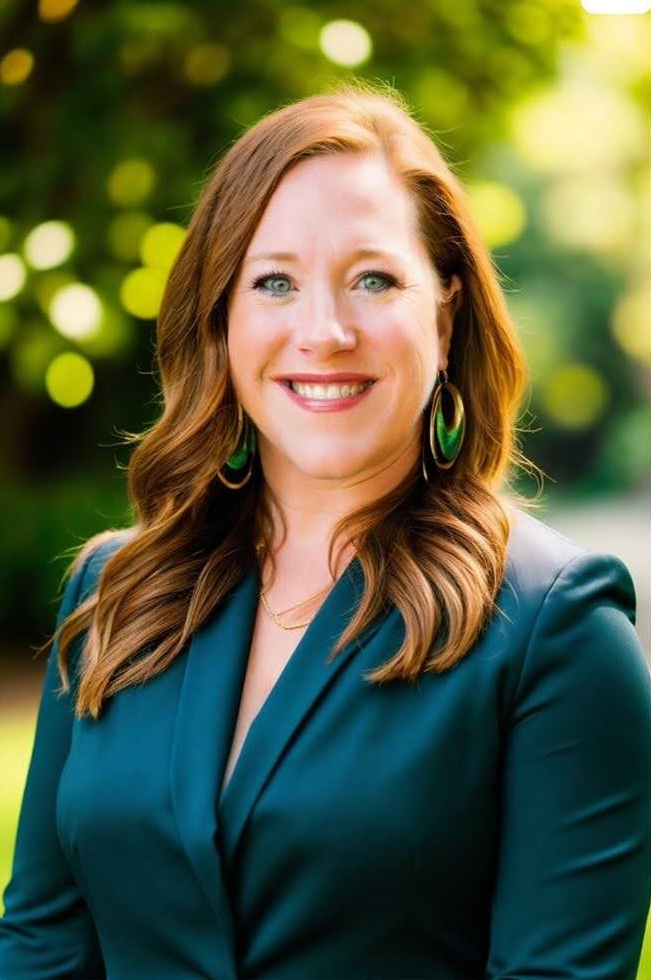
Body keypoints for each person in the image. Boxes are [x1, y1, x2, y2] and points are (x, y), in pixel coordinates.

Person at [0, 83, 650, 980]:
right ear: (221, 316)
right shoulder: (118, 594)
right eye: (274, 282)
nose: (324, 331)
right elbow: (41, 943)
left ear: (446, 307)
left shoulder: (556, 628)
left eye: (373, 279)